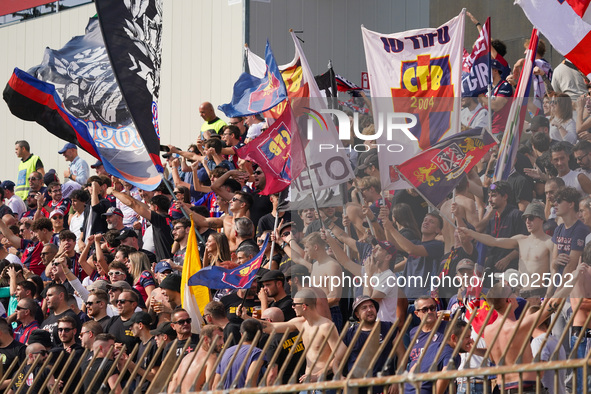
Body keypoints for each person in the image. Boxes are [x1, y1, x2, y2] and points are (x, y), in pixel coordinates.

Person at [246, 288, 343, 383]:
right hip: (307, 382)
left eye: (294, 304)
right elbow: (271, 327)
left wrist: (319, 374)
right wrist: (245, 317)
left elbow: (341, 353)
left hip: (324, 382)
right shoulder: (300, 323)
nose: (292, 307)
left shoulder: (326, 326)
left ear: (304, 306)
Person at [459, 202, 553, 299]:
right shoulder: (521, 240)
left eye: (531, 218)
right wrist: (471, 233)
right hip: (520, 293)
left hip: (538, 294)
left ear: (541, 218)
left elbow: (554, 273)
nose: (527, 221)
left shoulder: (549, 242)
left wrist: (548, 295)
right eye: (525, 218)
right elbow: (494, 241)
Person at [484, 283, 563, 394]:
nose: (516, 294)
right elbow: (552, 306)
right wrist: (573, 280)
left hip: (503, 388)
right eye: (512, 291)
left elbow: (492, 358)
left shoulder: (488, 331)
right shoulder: (518, 327)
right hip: (526, 388)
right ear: (508, 300)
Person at [335, 295, 405, 393]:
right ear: (357, 314)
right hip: (356, 389)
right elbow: (336, 361)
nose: (369, 310)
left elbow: (402, 354)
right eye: (364, 308)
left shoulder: (388, 328)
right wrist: (340, 378)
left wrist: (397, 380)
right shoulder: (350, 333)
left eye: (371, 306)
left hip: (383, 388)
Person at [406, 320, 474, 394]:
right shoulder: (453, 354)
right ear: (454, 338)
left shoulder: (432, 346)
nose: (471, 340)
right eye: (467, 337)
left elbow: (413, 369)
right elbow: (445, 376)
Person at [112, 190, 173, 261]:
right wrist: (131, 197)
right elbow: (145, 207)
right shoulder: (170, 219)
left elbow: (132, 204)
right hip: (172, 260)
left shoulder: (158, 219)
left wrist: (113, 192)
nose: (149, 209)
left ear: (156, 208)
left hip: (165, 264)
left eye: (151, 207)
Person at [212, 318, 272, 389]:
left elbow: (215, 386)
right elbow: (250, 382)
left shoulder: (225, 352)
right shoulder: (257, 354)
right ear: (260, 336)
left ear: (241, 334)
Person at [168, 324, 224, 393]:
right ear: (206, 339)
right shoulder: (211, 359)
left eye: (222, 338)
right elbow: (211, 388)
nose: (222, 342)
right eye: (219, 338)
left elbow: (173, 384)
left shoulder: (187, 358)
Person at [119, 311, 160, 392]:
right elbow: (136, 376)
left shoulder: (154, 345)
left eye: (131, 325)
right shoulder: (141, 344)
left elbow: (154, 377)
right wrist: (129, 364)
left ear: (140, 325)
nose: (130, 328)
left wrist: (133, 365)